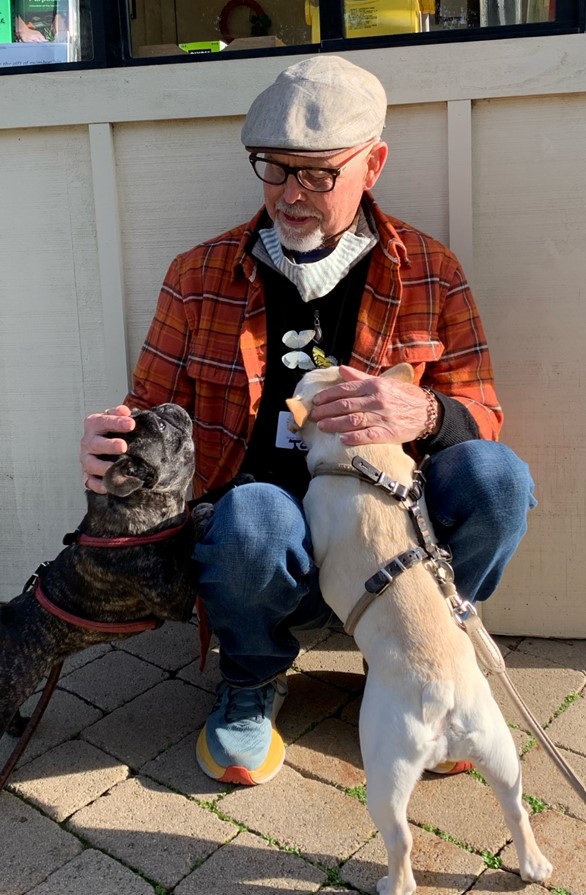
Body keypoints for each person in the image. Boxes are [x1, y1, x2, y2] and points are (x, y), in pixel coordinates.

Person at [80, 55, 536, 787]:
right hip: (262, 534)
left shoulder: (428, 270)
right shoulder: (198, 275)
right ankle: (253, 676)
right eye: (273, 168)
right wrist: (112, 444)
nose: (290, 194)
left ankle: (423, 660)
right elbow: (149, 411)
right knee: (254, 516)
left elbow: (481, 414)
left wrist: (422, 410)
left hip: (387, 534)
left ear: (373, 163)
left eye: (318, 173)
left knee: (499, 480)